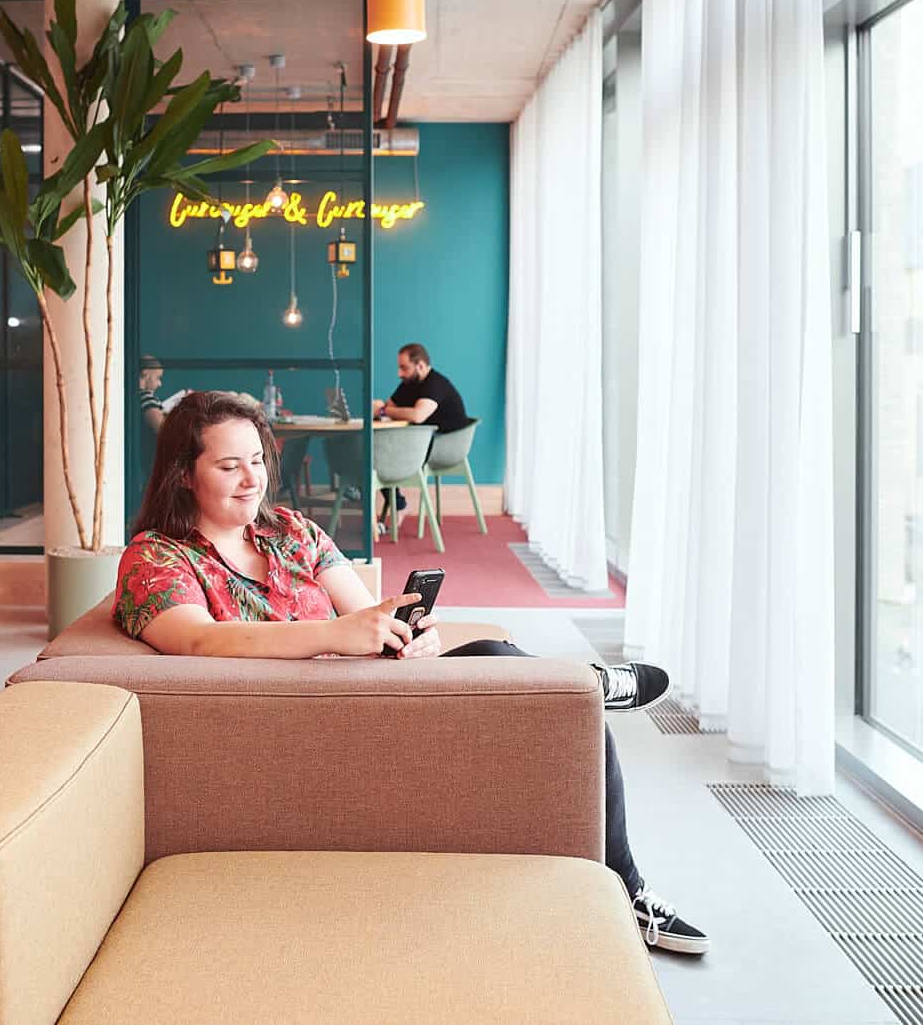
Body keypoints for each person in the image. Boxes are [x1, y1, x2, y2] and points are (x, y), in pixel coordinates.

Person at [112, 391, 711, 956]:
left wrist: (404, 631)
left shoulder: (291, 531)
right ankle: (583, 687)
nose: (252, 480)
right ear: (183, 474)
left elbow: (363, 611)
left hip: (370, 691)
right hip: (294, 723)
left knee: (512, 676)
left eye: (256, 462)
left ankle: (623, 871)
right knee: (517, 679)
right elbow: (197, 638)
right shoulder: (156, 557)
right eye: (228, 467)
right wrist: (332, 637)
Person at [372, 342, 469, 521]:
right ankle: (398, 506)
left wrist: (383, 411)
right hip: (424, 443)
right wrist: (379, 409)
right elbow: (389, 406)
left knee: (381, 456)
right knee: (377, 454)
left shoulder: (436, 383)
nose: (399, 373)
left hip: (446, 445)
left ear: (421, 365)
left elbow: (418, 415)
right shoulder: (410, 382)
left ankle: (398, 506)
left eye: (404, 368)